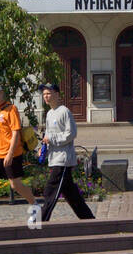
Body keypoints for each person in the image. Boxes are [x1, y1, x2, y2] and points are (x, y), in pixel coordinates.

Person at [0, 83, 39, 226]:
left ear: (2, 93)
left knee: (15, 184)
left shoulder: (12, 109)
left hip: (12, 152)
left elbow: (16, 132)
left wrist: (10, 153)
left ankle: (35, 205)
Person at [39, 82, 95, 221]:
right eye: (44, 94)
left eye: (49, 93)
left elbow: (71, 134)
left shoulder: (64, 111)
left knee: (50, 190)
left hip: (63, 159)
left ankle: (39, 221)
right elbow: (48, 135)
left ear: (57, 95)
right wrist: (43, 147)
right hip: (54, 157)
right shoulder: (49, 114)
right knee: (71, 194)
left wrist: (51, 138)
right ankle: (88, 219)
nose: (46, 96)